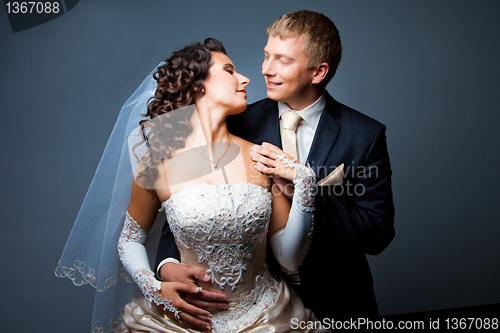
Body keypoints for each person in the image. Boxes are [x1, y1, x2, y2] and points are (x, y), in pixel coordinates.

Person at [57, 37, 327, 332]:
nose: (245, 78)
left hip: (265, 317)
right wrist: (154, 287)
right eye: (229, 70)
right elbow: (130, 239)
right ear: (198, 85)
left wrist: (305, 185)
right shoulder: (157, 165)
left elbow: (289, 258)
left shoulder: (261, 157)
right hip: (180, 322)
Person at [156, 10, 395, 321]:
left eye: (282, 60)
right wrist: (166, 265)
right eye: (266, 55)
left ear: (318, 72)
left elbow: (378, 234)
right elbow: (181, 201)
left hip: (339, 299)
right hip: (251, 307)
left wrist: (305, 190)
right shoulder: (237, 123)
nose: (265, 69)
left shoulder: (365, 134)